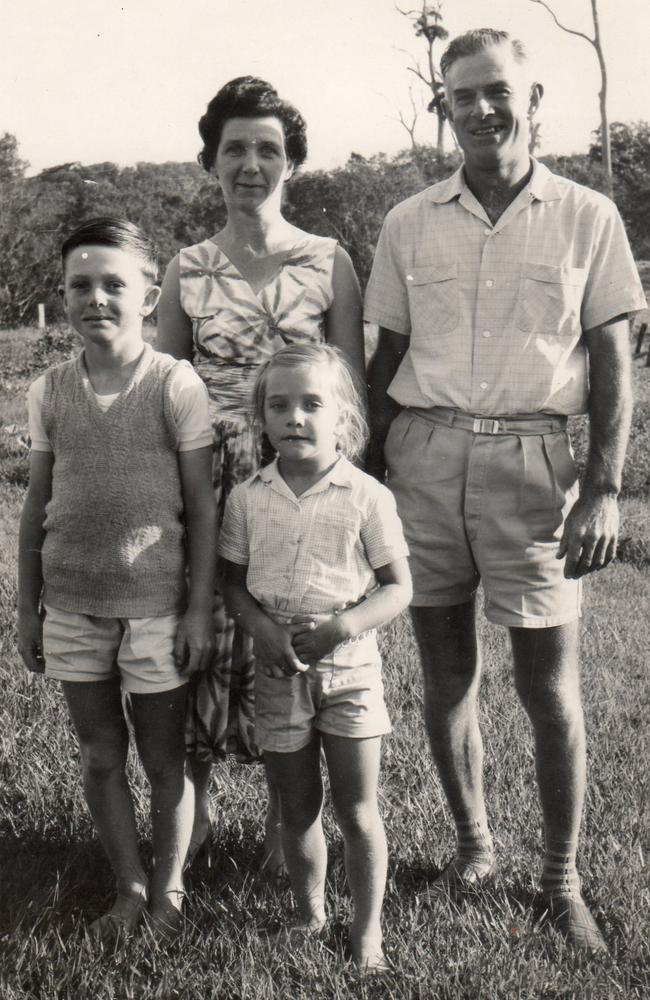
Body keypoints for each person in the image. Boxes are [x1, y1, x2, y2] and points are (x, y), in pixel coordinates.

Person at [364, 28, 646, 953]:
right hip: (423, 456)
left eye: (497, 92)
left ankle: (560, 880)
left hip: (535, 464)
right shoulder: (408, 221)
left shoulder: (588, 215)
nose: (480, 110)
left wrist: (604, 488)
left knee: (548, 687)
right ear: (444, 109)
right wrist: (364, 467)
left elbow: (612, 361)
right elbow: (389, 355)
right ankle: (474, 846)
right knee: (446, 673)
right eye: (461, 96)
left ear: (532, 102)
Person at [156, 76, 365, 870]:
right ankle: (196, 814)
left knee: (293, 634)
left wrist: (344, 500)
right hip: (207, 481)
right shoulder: (189, 266)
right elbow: (164, 389)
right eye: (235, 147)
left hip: (301, 481)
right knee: (201, 637)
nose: (251, 163)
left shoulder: (328, 260)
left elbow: (351, 396)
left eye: (269, 150)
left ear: (293, 164)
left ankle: (291, 822)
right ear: (211, 159)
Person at [17, 218, 217, 941]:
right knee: (101, 753)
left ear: (150, 297)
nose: (95, 298)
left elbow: (200, 506)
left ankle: (170, 891)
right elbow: (37, 503)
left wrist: (198, 609)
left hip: (156, 608)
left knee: (165, 758)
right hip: (71, 605)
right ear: (63, 296)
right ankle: (127, 886)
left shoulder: (174, 384)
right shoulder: (48, 390)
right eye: (79, 285)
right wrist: (27, 606)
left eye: (113, 285)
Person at [218, 343, 411, 969]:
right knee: (297, 808)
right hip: (278, 669)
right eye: (279, 405)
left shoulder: (366, 496)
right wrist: (263, 630)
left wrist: (342, 627)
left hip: (349, 669)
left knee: (357, 808)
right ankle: (309, 914)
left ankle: (369, 932)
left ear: (343, 420)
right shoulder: (247, 497)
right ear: (262, 417)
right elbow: (231, 582)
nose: (294, 417)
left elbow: (398, 587)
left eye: (311, 404)